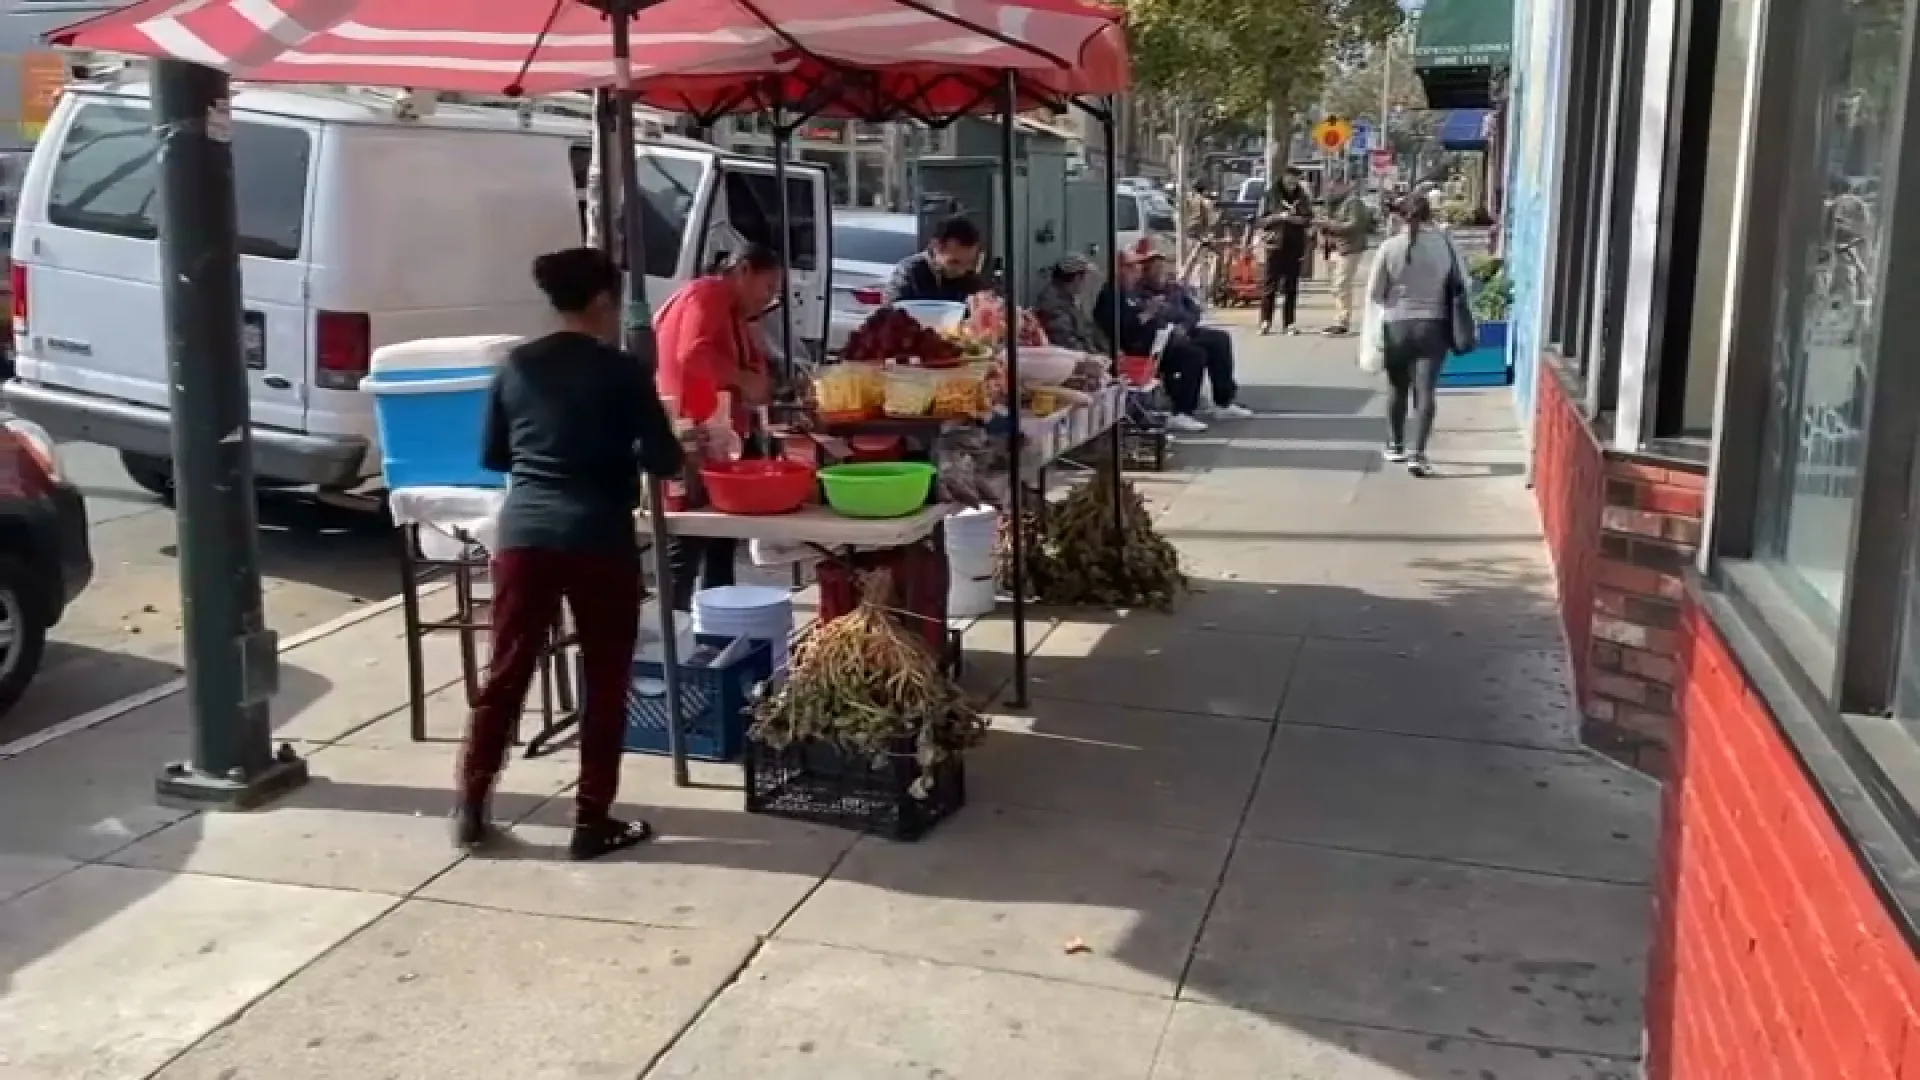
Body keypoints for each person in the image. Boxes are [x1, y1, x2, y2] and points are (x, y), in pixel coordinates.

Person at [462, 247, 684, 859]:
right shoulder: (622, 371)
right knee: (605, 677)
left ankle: (471, 804)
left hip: (525, 535)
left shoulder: (516, 367)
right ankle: (591, 820)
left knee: (506, 673)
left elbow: (496, 456)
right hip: (597, 535)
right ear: (603, 302)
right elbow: (666, 459)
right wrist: (630, 450)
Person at [654, 244, 784, 609]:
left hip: (716, 441)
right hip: (693, 442)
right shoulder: (707, 294)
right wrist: (745, 380)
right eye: (768, 288)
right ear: (743, 270)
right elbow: (692, 354)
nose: (768, 299)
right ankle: (671, 639)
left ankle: (716, 628)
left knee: (720, 543)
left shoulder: (730, 311)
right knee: (688, 546)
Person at [1365, 192, 1465, 477]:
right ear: (1429, 213)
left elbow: (1375, 292)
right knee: (1426, 390)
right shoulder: (1445, 246)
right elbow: (1460, 283)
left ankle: (1396, 445)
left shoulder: (1389, 247)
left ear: (1400, 215)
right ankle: (1418, 454)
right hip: (1434, 325)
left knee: (1397, 388)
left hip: (1397, 325)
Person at [1096, 251, 1209, 433]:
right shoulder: (1112, 295)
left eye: (1138, 267)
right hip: (1133, 352)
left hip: (1152, 342)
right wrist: (1149, 312)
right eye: (1132, 268)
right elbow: (1123, 329)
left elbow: (1191, 310)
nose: (1137, 272)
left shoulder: (1127, 292)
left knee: (1201, 347)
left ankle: (1194, 402)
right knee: (1192, 356)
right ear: (1119, 270)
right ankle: (1181, 411)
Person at [1139, 252, 1250, 419]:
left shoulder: (1174, 288)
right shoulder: (1142, 294)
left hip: (1187, 330)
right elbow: (1148, 322)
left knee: (1220, 339)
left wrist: (1185, 325)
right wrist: (1172, 328)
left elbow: (1195, 311)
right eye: (1154, 268)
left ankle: (1223, 402)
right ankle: (1183, 410)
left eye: (1161, 267)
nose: (1159, 272)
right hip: (1165, 338)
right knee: (1195, 353)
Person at [1256, 168, 1314, 335]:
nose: (1293, 182)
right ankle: (1265, 321)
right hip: (1274, 244)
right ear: (1283, 177)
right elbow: (1260, 220)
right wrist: (1278, 217)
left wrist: (1296, 218)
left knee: (1291, 286)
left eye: (1296, 179)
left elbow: (1308, 218)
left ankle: (1289, 323)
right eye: (1290, 178)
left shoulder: (1302, 196)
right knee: (1269, 286)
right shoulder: (1270, 195)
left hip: (1294, 245)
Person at [885, 215, 986, 304]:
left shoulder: (970, 278)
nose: (961, 271)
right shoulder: (909, 273)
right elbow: (894, 312)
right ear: (935, 247)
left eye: (968, 263)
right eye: (954, 262)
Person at [1320, 179, 1376, 336]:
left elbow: (1354, 225)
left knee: (1341, 284)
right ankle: (1339, 318)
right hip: (1334, 248)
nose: (1331, 190)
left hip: (1349, 248)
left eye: (1334, 186)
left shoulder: (1353, 203)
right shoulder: (1332, 203)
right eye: (1329, 187)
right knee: (1336, 287)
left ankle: (1342, 321)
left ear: (1344, 186)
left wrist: (1329, 223)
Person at [1034, 253, 1106, 353]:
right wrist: (1093, 356)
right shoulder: (1053, 303)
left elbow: (1089, 329)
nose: (1086, 282)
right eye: (1084, 277)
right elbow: (1064, 341)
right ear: (1077, 278)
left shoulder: (1068, 298)